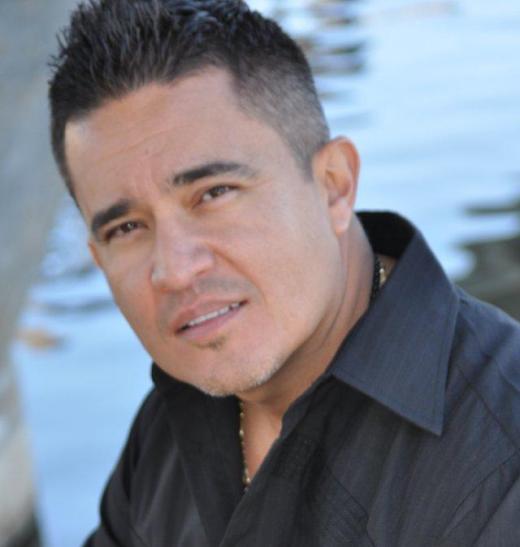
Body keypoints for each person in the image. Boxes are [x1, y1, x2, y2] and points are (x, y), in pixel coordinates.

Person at [48, 1, 520, 545]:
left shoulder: (500, 457)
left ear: (334, 186)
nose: (174, 270)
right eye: (127, 228)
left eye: (214, 193)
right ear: (99, 257)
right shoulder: (168, 425)